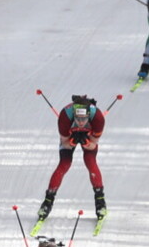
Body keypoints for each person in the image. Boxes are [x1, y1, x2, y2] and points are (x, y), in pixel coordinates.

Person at [33, 95, 107, 225]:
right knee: (64, 164)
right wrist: (73, 140)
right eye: (78, 118)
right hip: (69, 135)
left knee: (90, 162)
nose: (80, 122)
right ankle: (48, 202)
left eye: (84, 119)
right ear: (73, 114)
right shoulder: (65, 117)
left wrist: (85, 141)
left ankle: (100, 201)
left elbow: (93, 144)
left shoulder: (98, 118)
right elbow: (65, 143)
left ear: (89, 115)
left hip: (89, 136)